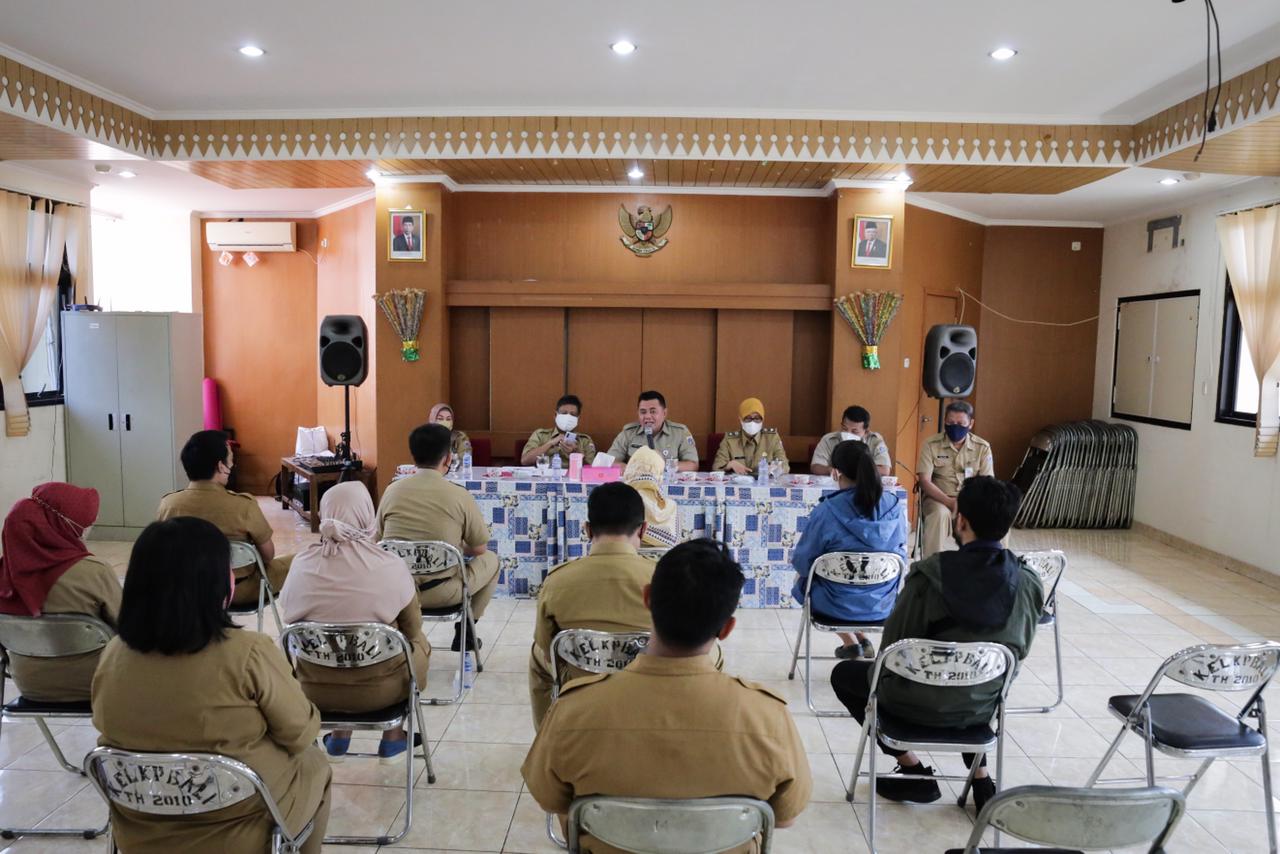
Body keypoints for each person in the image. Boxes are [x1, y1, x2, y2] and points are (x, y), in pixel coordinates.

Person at [522, 539, 812, 845]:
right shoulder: (769, 717)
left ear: (647, 598)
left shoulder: (574, 709)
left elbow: (549, 799)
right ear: (726, 629)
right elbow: (785, 817)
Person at [92, 517, 331, 853]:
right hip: (236, 827)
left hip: (141, 828)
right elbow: (299, 733)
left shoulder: (113, 653)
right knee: (315, 765)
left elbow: (105, 724)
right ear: (215, 583)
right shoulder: (248, 652)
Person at [829, 477, 1040, 815]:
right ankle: (981, 779)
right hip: (983, 707)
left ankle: (912, 768)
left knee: (845, 675)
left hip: (913, 705)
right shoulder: (1028, 583)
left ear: (961, 520)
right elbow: (1019, 652)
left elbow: (891, 652)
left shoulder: (928, 577)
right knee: (970, 673)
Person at [278, 482, 430, 764]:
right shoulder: (389, 565)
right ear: (367, 515)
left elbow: (289, 615)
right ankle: (393, 737)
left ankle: (339, 736)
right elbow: (412, 629)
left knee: (334, 640)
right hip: (380, 692)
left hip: (314, 690)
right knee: (417, 643)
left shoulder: (302, 563)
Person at [527, 482, 653, 729]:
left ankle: (548, 737)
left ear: (587, 529)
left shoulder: (558, 580)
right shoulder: (663, 578)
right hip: (647, 681)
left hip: (580, 681)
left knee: (536, 655)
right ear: (643, 530)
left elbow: (547, 650)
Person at [377, 423, 501, 651]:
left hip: (398, 591)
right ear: (448, 458)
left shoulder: (391, 491)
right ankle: (466, 631)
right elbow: (479, 548)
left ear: (414, 456)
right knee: (492, 559)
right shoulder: (459, 495)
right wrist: (453, 548)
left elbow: (378, 541)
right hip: (443, 593)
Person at [0, 483, 120, 702]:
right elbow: (129, 626)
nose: (87, 529)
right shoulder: (93, 572)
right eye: (86, 524)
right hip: (99, 680)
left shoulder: (4, 575)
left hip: (29, 684)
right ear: (63, 526)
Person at [790, 441, 906, 661]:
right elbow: (901, 555)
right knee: (858, 580)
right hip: (881, 604)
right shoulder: (894, 506)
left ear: (836, 472)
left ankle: (851, 643)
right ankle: (860, 639)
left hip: (833, 604)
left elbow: (803, 562)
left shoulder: (827, 510)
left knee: (806, 576)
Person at [157, 429, 292, 606]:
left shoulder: (168, 505)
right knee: (301, 561)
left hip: (186, 591)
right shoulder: (243, 505)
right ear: (221, 466)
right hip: (238, 591)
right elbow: (268, 555)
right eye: (231, 460)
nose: (232, 465)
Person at [917, 401, 993, 557]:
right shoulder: (931, 445)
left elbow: (987, 483)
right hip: (938, 499)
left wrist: (968, 502)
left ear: (970, 424)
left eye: (961, 423)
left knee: (995, 516)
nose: (955, 427)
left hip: (971, 501)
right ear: (944, 421)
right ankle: (932, 564)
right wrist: (949, 501)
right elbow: (924, 481)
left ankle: (990, 563)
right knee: (939, 514)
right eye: (951, 422)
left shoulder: (982, 447)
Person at [606, 390, 698, 471]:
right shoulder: (628, 433)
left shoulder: (680, 432)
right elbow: (609, 461)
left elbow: (693, 465)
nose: (647, 416)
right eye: (643, 412)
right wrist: (631, 467)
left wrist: (663, 464)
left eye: (653, 411)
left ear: (664, 413)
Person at [621, 447, 681, 550]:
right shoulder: (671, 506)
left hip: (627, 554)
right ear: (657, 473)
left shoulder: (620, 501)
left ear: (631, 469)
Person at [712, 397, 789, 475]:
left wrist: (776, 467)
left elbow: (785, 465)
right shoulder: (730, 440)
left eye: (757, 418)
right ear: (740, 419)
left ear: (763, 420)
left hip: (764, 481)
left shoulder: (772, 438)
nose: (752, 422)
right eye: (748, 418)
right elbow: (716, 467)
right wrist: (730, 464)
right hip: (738, 482)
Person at [811, 405, 891, 477]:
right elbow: (815, 466)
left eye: (854, 432)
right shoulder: (829, 439)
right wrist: (829, 470)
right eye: (845, 429)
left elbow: (884, 470)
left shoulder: (875, 440)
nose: (848, 434)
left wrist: (853, 470)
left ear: (866, 431)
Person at [521, 394, 597, 466]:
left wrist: (575, 452)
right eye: (564, 413)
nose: (568, 417)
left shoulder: (585, 440)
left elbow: (591, 468)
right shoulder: (540, 435)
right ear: (555, 415)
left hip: (573, 475)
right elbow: (525, 461)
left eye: (573, 414)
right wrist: (550, 443)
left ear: (578, 418)